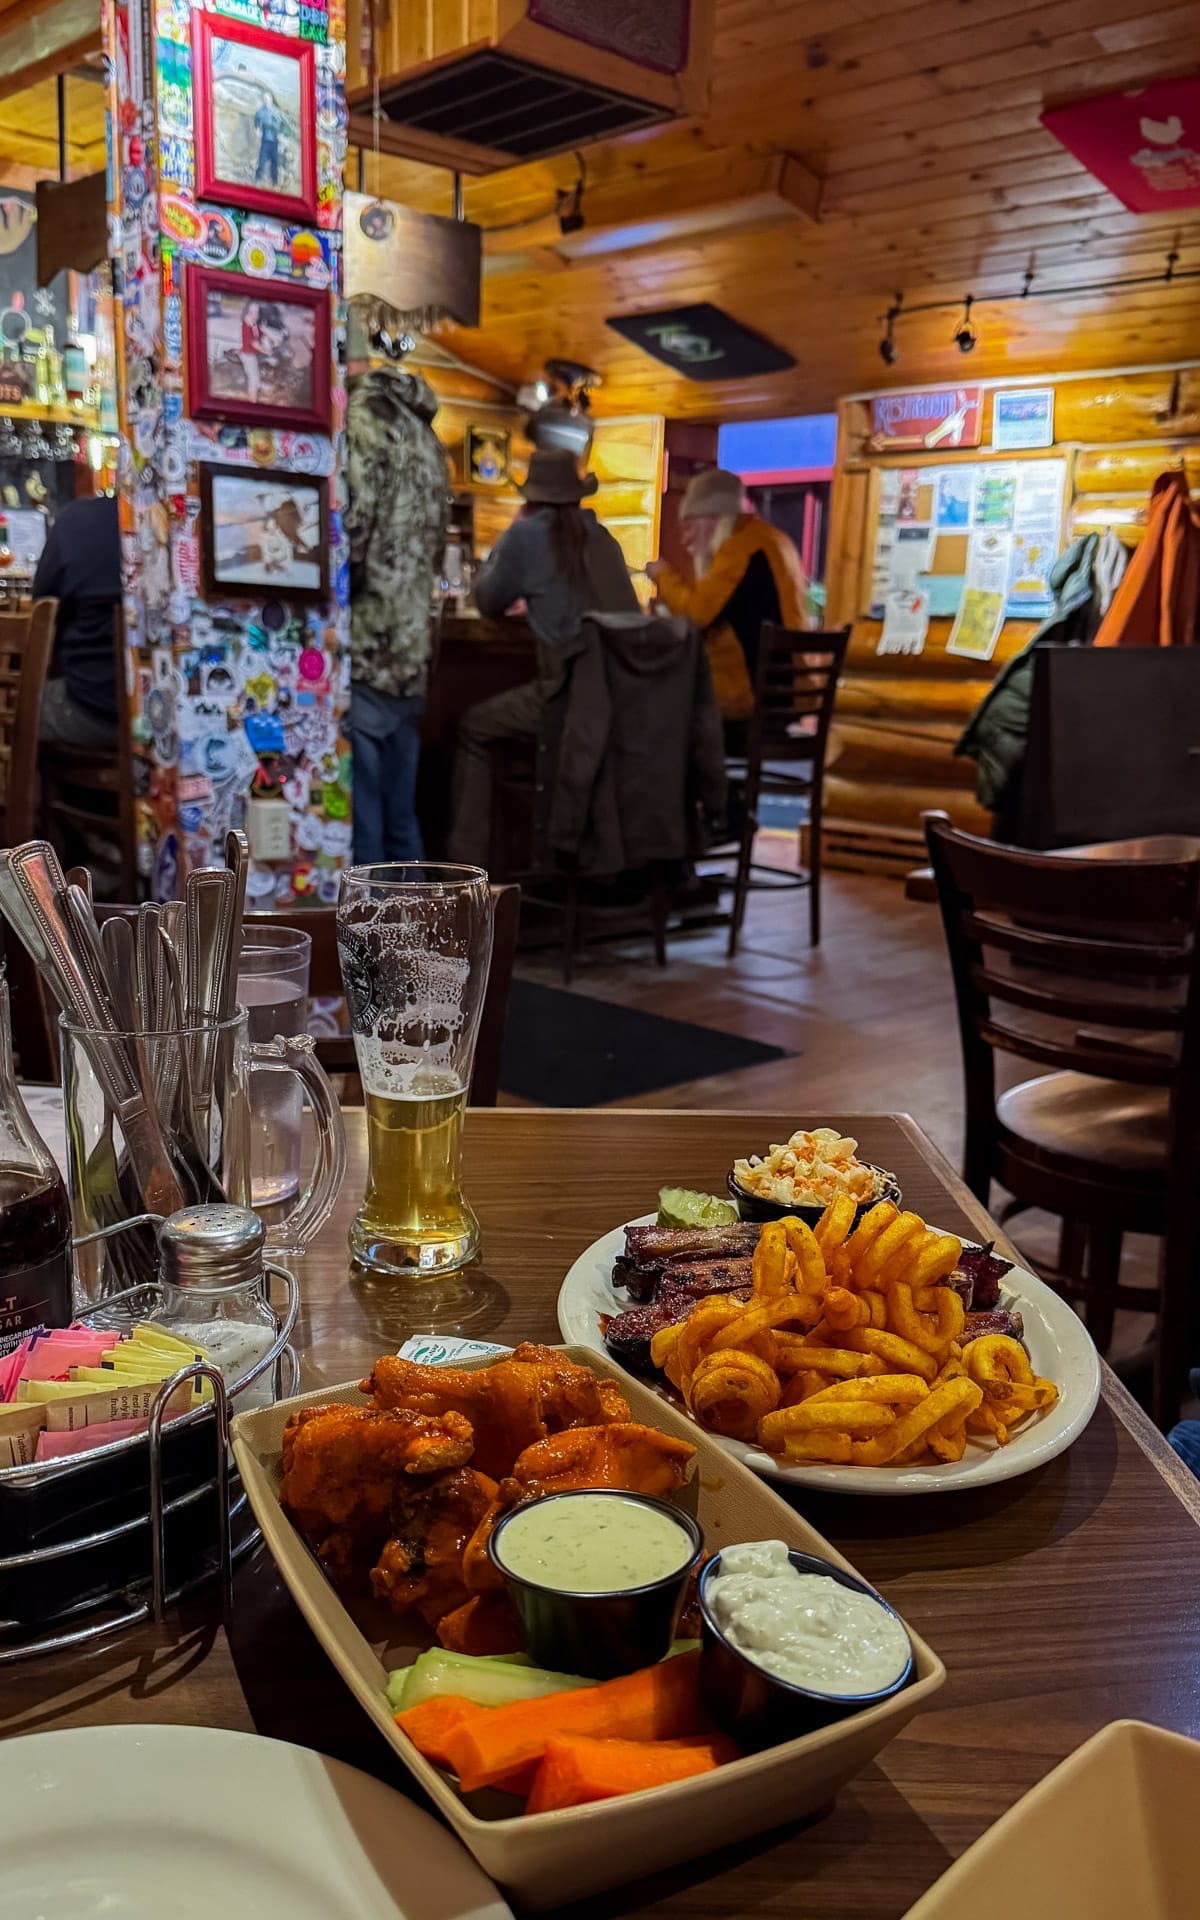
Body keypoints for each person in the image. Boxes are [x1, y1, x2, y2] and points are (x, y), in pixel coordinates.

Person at [447, 446, 638, 868]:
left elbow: (486, 600)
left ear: (529, 498)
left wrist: (511, 534)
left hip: (569, 702)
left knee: (473, 727)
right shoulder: (604, 539)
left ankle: (468, 872)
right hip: (624, 703)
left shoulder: (527, 534)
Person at [343, 305, 450, 864]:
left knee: (365, 833)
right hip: (411, 648)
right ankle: (409, 948)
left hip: (365, 644)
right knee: (402, 823)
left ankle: (367, 951)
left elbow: (351, 537)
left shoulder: (360, 420)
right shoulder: (424, 431)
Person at [646, 467, 809, 719]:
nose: (685, 540)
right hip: (788, 695)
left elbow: (698, 615)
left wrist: (662, 576)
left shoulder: (740, 548)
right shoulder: (773, 539)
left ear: (712, 517)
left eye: (689, 526)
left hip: (753, 706)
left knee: (659, 707)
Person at [34, 491, 121, 752]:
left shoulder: (77, 521)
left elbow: (42, 607)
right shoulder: (194, 527)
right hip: (175, 720)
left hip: (90, 710)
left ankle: (35, 793)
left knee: (21, 703)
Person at [254, 90, 285, 188]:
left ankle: (274, 182)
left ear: (271, 100)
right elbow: (256, 119)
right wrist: (257, 129)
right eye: (265, 99)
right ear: (264, 100)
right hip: (265, 141)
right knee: (261, 161)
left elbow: (283, 124)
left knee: (274, 162)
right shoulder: (260, 111)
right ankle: (258, 180)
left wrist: (281, 134)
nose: (267, 101)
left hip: (275, 141)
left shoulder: (277, 112)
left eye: (268, 99)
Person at [239, 299, 263, 404]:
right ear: (247, 313)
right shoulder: (247, 325)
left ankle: (254, 399)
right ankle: (252, 402)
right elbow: (253, 343)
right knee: (253, 379)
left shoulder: (254, 325)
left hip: (252, 355)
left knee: (256, 379)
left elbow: (261, 332)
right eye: (252, 312)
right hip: (247, 355)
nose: (254, 315)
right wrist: (266, 350)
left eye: (257, 312)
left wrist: (273, 337)